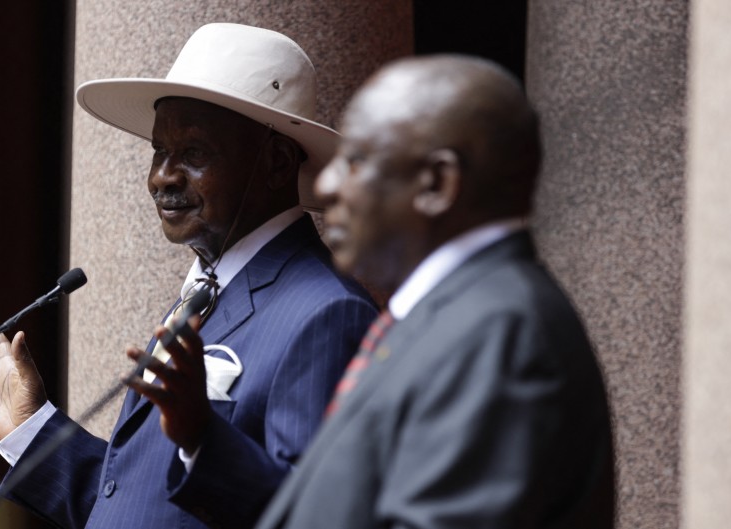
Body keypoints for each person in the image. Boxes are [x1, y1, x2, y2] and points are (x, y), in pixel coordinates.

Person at [0, 23, 377, 529]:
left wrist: (203, 438)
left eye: (192, 154)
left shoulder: (327, 313)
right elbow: (137, 505)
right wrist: (31, 430)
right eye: (158, 151)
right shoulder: (208, 291)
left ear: (276, 162)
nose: (161, 177)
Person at [255, 55, 616, 529]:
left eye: (357, 160)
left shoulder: (499, 332)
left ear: (438, 183)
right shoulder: (453, 317)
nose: (326, 183)